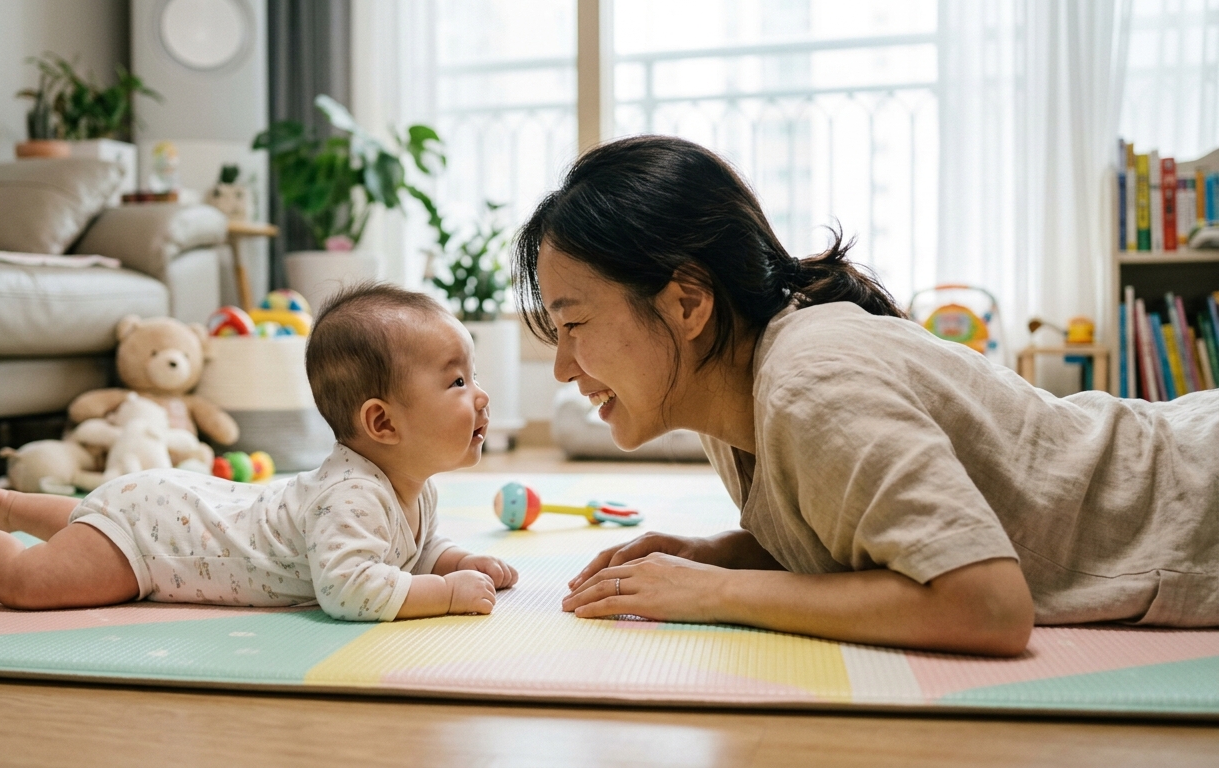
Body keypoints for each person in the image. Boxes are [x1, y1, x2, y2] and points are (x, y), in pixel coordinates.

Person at [517, 134, 1219, 656]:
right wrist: (722, 554)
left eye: (574, 324)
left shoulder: (810, 382)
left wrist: (712, 593)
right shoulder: (737, 390)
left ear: (687, 303)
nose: (563, 368)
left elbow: (986, 605)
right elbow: (857, 541)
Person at [0, 283, 518, 621]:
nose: (481, 396)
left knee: (96, 529)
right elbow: (349, 588)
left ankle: (13, 508)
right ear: (382, 422)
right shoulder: (352, 494)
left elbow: (404, 551)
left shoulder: (410, 487)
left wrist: (455, 559)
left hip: (165, 507)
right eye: (457, 381)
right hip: (154, 545)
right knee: (38, 583)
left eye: (472, 375)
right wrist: (444, 593)